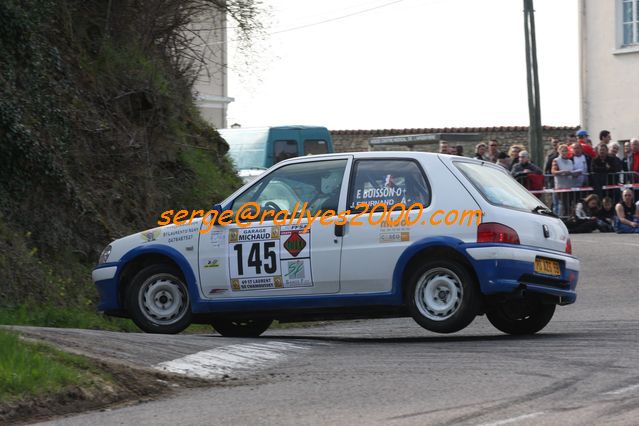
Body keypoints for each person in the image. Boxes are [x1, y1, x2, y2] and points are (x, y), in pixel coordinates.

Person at [551, 144, 576, 216]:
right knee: (561, 206)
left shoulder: (570, 161)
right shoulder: (556, 160)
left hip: (569, 186)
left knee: (568, 206)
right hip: (560, 187)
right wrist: (562, 172)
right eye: (562, 151)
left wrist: (574, 173)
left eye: (566, 151)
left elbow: (572, 171)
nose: (564, 153)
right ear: (559, 152)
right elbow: (553, 172)